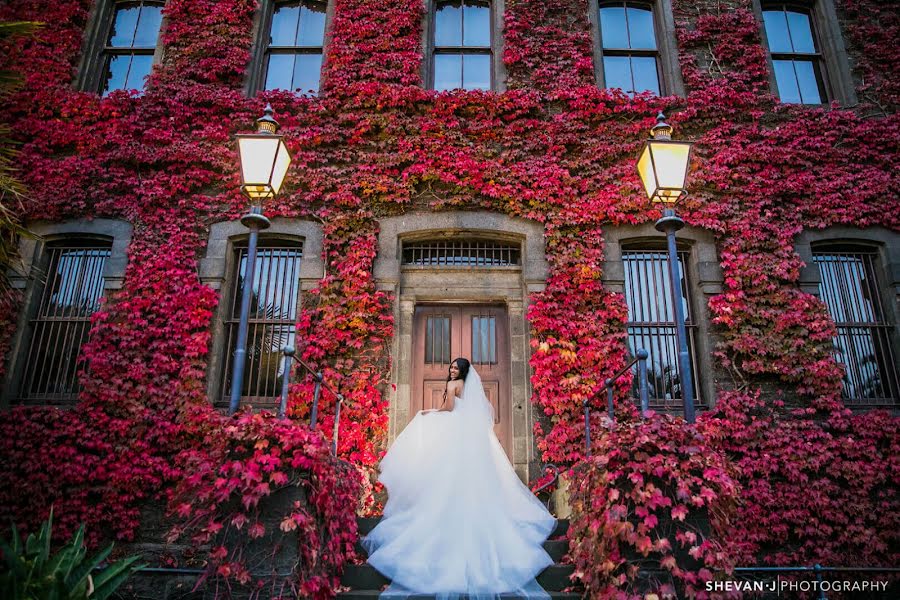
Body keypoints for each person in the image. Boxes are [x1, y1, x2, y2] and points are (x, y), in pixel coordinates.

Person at [361, 357, 556, 599]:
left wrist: (428, 411)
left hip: (454, 433)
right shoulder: (469, 389)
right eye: (451, 366)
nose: (452, 369)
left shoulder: (453, 386)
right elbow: (483, 412)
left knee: (443, 472)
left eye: (456, 367)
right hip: (465, 437)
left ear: (462, 371)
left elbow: (449, 409)